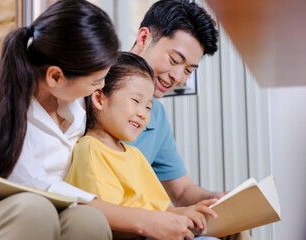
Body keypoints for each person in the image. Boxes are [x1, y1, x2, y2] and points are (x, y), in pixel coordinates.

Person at [0, 0, 120, 239]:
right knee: (34, 211)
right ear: (55, 76)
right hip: (5, 207)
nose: (101, 87)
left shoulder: (73, 92)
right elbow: (30, 180)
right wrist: (140, 221)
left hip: (54, 203)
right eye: (95, 81)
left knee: (89, 221)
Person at [127, 0, 252, 239]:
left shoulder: (157, 115)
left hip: (151, 218)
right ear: (143, 38)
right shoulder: (93, 89)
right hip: (126, 220)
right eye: (174, 60)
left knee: (233, 230)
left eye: (188, 70)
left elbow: (182, 190)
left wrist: (218, 201)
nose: (177, 77)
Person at [65, 52, 219, 240]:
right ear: (99, 99)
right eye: (136, 101)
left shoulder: (135, 155)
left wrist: (185, 213)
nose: (143, 114)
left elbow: (160, 208)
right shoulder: (90, 150)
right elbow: (107, 220)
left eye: (148, 107)